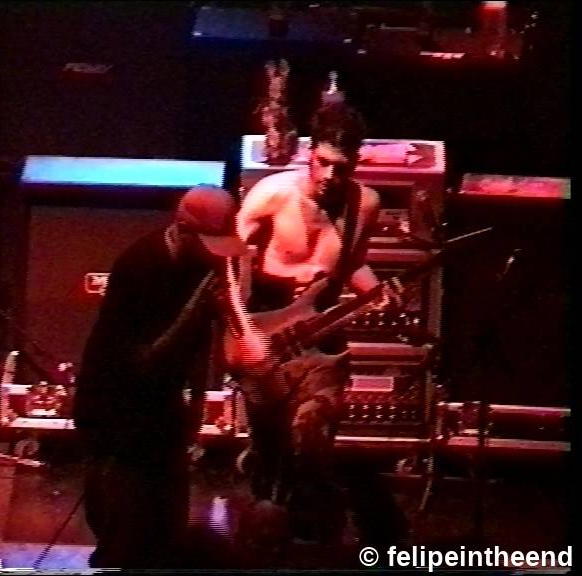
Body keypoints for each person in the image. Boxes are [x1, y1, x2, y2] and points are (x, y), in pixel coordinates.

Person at [230, 96, 407, 549]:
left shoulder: (365, 205)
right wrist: (242, 331)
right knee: (272, 453)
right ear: (310, 154)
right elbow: (225, 262)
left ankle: (317, 536)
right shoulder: (272, 195)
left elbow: (354, 264)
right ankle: (269, 526)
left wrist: (378, 293)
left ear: (355, 164)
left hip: (323, 341)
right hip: (269, 334)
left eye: (341, 168)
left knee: (312, 433)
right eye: (323, 163)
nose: (330, 175)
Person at [72, 185, 248, 568]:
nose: (215, 253)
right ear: (182, 230)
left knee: (168, 522)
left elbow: (201, 341)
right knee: (123, 525)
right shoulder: (139, 266)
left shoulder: (202, 264)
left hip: (162, 402)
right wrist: (194, 310)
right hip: (116, 404)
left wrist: (198, 404)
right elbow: (141, 361)